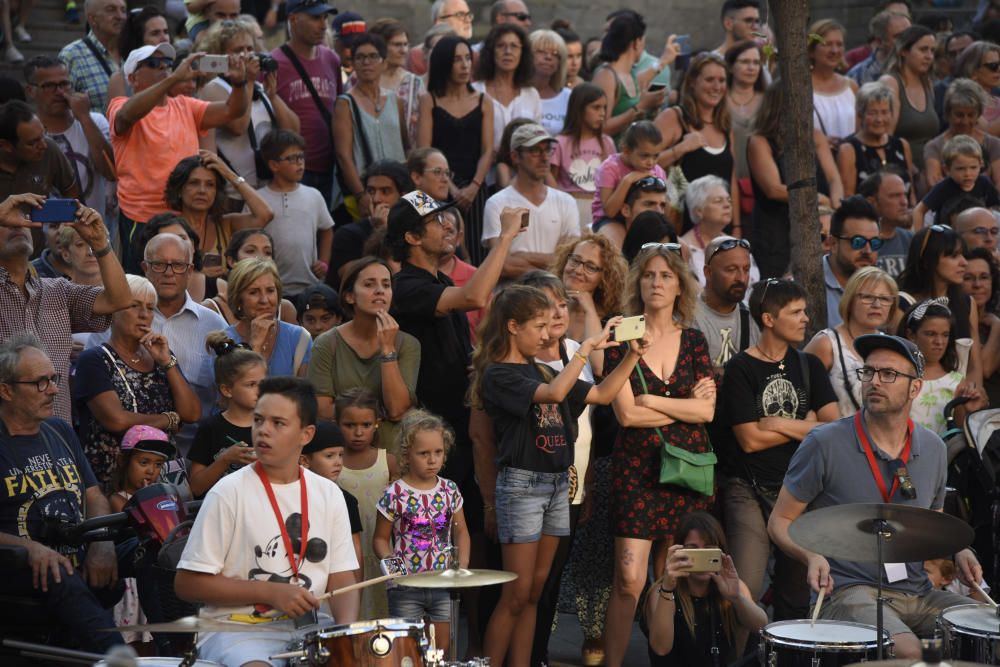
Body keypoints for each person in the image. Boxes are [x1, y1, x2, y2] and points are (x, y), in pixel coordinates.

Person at [767, 333, 983, 660]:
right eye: (868, 372)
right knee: (910, 650)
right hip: (847, 592)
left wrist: (957, 550)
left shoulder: (935, 449)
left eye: (888, 374)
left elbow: (930, 527)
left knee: (983, 627)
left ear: (915, 388)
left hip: (919, 593)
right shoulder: (824, 442)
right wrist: (810, 555)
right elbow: (780, 520)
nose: (874, 382)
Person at [473, 283, 639, 667]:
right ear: (513, 327)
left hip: (557, 484)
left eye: (550, 325)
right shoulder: (498, 374)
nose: (548, 334)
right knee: (515, 594)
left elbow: (599, 395)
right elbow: (551, 395)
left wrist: (630, 356)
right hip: (522, 486)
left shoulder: (545, 368)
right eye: (539, 326)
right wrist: (583, 350)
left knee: (535, 591)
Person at [175, 376, 360, 665]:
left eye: (278, 423)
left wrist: (344, 637)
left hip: (312, 628)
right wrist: (269, 591)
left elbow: (341, 577)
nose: (263, 431)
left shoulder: (329, 494)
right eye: (258, 420)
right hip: (236, 630)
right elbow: (187, 583)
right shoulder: (228, 492)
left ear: (306, 434)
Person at [600, 244, 717, 667]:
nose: (656, 282)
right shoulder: (622, 337)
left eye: (666, 276)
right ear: (638, 283)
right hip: (637, 472)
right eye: (649, 275)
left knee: (671, 580)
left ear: (679, 285)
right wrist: (679, 407)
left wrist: (653, 403)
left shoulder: (695, 340)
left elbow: (706, 412)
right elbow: (627, 415)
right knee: (629, 581)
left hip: (685, 472)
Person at [717, 278, 840, 624]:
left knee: (795, 591)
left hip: (798, 491)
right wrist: (805, 424)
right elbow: (749, 440)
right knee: (746, 585)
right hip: (748, 488)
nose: (805, 319)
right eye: (796, 312)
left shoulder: (809, 366)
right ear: (769, 319)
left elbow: (833, 427)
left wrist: (780, 423)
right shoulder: (741, 367)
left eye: (805, 311)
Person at [0, 334, 128, 653]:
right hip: (26, 566)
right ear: (6, 390)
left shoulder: (60, 430)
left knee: (153, 545)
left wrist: (103, 543)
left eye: (54, 379)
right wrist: (29, 548)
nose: (55, 390)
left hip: (82, 548)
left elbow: (95, 495)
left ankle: (181, 646)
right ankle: (116, 657)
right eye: (40, 383)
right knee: (58, 569)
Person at [109, 45, 252, 273]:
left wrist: (239, 83)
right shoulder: (120, 105)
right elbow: (127, 115)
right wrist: (173, 77)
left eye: (167, 62)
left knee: (180, 284)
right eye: (154, 64)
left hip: (183, 217)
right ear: (133, 78)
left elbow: (231, 111)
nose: (164, 67)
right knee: (143, 289)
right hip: (142, 218)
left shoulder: (186, 106)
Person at [0, 196, 129, 423]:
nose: (17, 226)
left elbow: (119, 300)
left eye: (23, 222)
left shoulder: (58, 289)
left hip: (57, 438)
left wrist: (100, 243)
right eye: (7, 223)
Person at [74, 273, 201, 490]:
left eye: (150, 308)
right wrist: (169, 420)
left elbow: (191, 414)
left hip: (165, 477)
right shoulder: (94, 359)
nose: (144, 315)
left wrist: (166, 362)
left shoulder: (162, 356)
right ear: (113, 311)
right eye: (134, 306)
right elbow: (117, 420)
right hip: (116, 480)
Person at [374, 409, 469, 652]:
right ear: (406, 455)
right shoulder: (394, 493)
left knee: (441, 649)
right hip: (406, 588)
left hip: (441, 584)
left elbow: (461, 532)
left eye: (438, 452)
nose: (432, 459)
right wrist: (395, 570)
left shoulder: (449, 490)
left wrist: (462, 568)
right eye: (423, 453)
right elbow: (380, 539)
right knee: (408, 650)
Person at [309, 256, 420, 452]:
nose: (380, 290)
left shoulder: (407, 344)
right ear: (350, 296)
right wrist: (377, 414)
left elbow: (396, 410)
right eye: (369, 284)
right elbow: (323, 410)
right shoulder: (326, 344)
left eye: (386, 285)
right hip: (341, 454)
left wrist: (387, 350)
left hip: (391, 454)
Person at [139, 232, 229, 455]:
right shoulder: (124, 319)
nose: (169, 273)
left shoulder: (213, 324)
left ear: (190, 271)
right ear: (145, 268)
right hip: (135, 450)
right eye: (159, 264)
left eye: (178, 265)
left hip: (197, 452)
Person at [748, 78, 843, 278]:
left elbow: (834, 178)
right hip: (776, 229)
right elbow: (773, 189)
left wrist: (835, 204)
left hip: (819, 223)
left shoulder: (815, 136)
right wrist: (817, 198)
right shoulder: (760, 141)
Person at [644, 512, 767, 666]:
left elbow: (762, 627)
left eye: (708, 549)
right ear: (679, 551)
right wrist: (668, 588)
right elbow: (661, 648)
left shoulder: (730, 586)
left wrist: (737, 598)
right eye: (693, 549)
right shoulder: (661, 591)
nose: (700, 556)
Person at [199, 18, 300, 199]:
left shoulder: (259, 88)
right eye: (238, 50)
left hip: (269, 188)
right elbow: (238, 127)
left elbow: (293, 131)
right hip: (235, 193)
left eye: (250, 49)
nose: (247, 55)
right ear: (221, 55)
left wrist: (273, 96)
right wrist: (249, 81)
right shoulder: (213, 88)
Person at [417, 34, 494, 265]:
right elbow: (424, 150)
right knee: (441, 248)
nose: (465, 65)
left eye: (468, 58)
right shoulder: (429, 100)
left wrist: (474, 187)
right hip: (438, 185)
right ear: (443, 63)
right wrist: (449, 186)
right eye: (457, 60)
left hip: (476, 186)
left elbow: (488, 150)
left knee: (478, 251)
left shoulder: (483, 100)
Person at [24, 56, 116, 232]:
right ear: (30, 90)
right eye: (49, 86)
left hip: (93, 235)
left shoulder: (94, 121)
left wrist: (84, 118)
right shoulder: (26, 132)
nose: (59, 92)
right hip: (45, 238)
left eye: (65, 84)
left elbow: (110, 171)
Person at [655, 52, 739, 231]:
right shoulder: (674, 117)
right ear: (693, 82)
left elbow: (731, 180)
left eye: (722, 80)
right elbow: (644, 162)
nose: (717, 86)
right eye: (709, 79)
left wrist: (737, 226)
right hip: (681, 226)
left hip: (720, 228)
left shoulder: (724, 126)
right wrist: (681, 149)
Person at [483, 123, 580, 279]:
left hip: (554, 299)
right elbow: (501, 265)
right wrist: (550, 271)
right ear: (515, 157)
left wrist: (523, 256)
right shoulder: (496, 203)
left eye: (547, 150)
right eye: (535, 151)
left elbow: (569, 260)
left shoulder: (567, 202)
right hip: (512, 298)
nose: (544, 158)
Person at [270, 0, 342, 208]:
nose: (323, 25)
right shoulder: (275, 63)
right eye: (315, 18)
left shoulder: (331, 59)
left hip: (331, 167)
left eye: (325, 18)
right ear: (293, 19)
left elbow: (339, 109)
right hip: (292, 170)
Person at [336, 387, 399, 619]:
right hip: (348, 554)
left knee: (388, 614)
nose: (358, 432)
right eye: (350, 425)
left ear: (377, 424)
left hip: (383, 551)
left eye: (365, 425)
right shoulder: (333, 463)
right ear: (337, 423)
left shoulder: (388, 462)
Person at [166, 151, 275, 283]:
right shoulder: (168, 228)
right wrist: (198, 275)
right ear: (179, 189)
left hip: (221, 301)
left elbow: (265, 215)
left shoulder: (226, 224)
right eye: (194, 183)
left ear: (216, 192)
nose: (202, 190)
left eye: (210, 184)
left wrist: (228, 173)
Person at [108, 425, 172, 647]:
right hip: (131, 583)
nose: (150, 471)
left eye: (157, 465)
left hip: (154, 579)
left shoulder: (163, 496)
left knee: (151, 642)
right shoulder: (117, 499)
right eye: (143, 463)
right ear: (124, 461)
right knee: (132, 642)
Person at [333, 33, 408, 221]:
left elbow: (405, 146)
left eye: (373, 56)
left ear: (383, 62)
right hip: (368, 190)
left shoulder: (395, 100)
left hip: (397, 190)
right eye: (360, 57)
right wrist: (361, 194)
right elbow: (344, 156)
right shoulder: (345, 103)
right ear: (354, 64)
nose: (366, 62)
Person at [806, 266, 899, 417]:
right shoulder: (826, 343)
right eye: (868, 297)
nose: (877, 304)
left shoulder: (892, 346)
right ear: (850, 300)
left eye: (884, 299)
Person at [252, 130, 332, 299]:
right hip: (271, 288)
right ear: (274, 165)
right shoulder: (257, 199)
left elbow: (327, 230)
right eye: (292, 159)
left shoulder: (314, 195)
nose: (300, 163)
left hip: (310, 286)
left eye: (301, 157)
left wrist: (324, 263)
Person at [188, 331, 265, 497]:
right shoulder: (211, 428)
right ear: (227, 390)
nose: (260, 390)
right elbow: (195, 487)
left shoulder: (271, 425)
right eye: (251, 384)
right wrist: (225, 459)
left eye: (263, 383)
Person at [0, 100, 81, 255]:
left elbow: (73, 195)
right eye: (33, 143)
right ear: (6, 145)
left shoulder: (49, 151)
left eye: (43, 134)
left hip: (36, 259)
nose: (43, 145)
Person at [903, 299, 987, 434]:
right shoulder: (896, 376)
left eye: (945, 335)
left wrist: (965, 409)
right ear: (911, 335)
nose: (939, 342)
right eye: (930, 334)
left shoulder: (957, 382)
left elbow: (958, 432)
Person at [223, 257, 312, 377]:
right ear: (238, 299)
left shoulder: (299, 338)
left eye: (270, 291)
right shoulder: (223, 344)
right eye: (254, 292)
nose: (264, 300)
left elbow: (305, 393)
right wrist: (256, 347)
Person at [300, 420, 365, 583]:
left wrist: (355, 591)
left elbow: (355, 551)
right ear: (305, 461)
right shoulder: (291, 497)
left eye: (341, 455)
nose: (338, 462)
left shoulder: (346, 500)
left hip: (336, 588)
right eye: (329, 456)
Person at [591, 12, 669, 143]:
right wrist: (640, 106)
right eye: (643, 40)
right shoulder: (606, 76)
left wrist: (652, 106)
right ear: (637, 42)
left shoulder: (630, 74)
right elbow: (600, 127)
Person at [328, 161, 410, 283]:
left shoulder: (413, 230)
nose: (376, 199)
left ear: (402, 197)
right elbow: (355, 278)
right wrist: (381, 231)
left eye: (385, 191)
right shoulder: (347, 234)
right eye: (371, 191)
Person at [552, 83, 616, 231]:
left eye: (604, 108)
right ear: (579, 109)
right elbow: (552, 180)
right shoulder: (560, 142)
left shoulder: (607, 143)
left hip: (598, 209)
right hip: (569, 207)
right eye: (596, 107)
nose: (602, 113)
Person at [693, 235, 760, 376]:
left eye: (746, 269)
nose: (741, 278)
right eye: (731, 269)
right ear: (708, 272)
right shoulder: (687, 317)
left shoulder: (754, 317)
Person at [878, 25, 939, 180]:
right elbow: (886, 138)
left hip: (929, 169)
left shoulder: (928, 84)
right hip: (901, 170)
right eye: (923, 49)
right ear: (904, 51)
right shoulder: (890, 83)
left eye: (932, 51)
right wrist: (910, 169)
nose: (929, 56)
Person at [838, 82, 914, 198]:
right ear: (860, 115)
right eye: (872, 113)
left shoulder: (902, 145)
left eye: (884, 112)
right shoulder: (849, 149)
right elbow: (849, 197)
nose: (879, 119)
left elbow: (911, 193)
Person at [682, 175, 760, 288]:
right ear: (699, 211)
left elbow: (753, 284)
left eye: (729, 200)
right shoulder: (684, 248)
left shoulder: (736, 245)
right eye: (718, 201)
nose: (727, 205)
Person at [593, 121, 668, 234]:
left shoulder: (658, 172)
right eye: (645, 156)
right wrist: (628, 180)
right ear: (626, 150)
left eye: (656, 156)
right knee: (616, 237)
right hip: (609, 221)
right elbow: (610, 211)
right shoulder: (609, 168)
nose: (651, 162)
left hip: (642, 220)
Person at [925, 78, 1000, 191]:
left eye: (970, 115)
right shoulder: (934, 147)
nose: (965, 121)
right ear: (948, 113)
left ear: (979, 114)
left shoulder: (993, 144)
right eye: (959, 115)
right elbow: (934, 185)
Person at [551, 233, 628, 343]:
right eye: (575, 260)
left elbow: (598, 360)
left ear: (604, 278)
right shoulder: (545, 308)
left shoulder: (614, 323)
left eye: (590, 267)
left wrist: (590, 311)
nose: (578, 270)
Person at [914, 135, 1000, 228]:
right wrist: (919, 238)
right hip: (947, 238)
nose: (967, 173)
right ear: (947, 169)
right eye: (960, 169)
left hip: (977, 235)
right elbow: (919, 210)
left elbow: (993, 207)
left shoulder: (984, 183)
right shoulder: (944, 187)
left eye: (973, 167)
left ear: (981, 164)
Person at [824, 196, 883, 328]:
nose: (867, 251)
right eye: (858, 242)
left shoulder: (884, 287)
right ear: (833, 243)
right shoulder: (806, 283)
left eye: (874, 243)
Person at [58, 0, 127, 111]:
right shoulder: (72, 55)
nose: (120, 16)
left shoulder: (134, 52)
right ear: (93, 19)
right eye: (111, 10)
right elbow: (62, 109)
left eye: (123, 10)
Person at [810, 19, 859, 148]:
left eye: (839, 44)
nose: (834, 50)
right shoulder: (799, 88)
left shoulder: (852, 87)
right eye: (827, 44)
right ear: (811, 50)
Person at [105, 6, 170, 101]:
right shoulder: (120, 80)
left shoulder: (176, 70)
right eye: (155, 33)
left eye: (166, 32)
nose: (164, 38)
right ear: (138, 40)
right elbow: (121, 115)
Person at [963, 247, 1000, 407]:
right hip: (973, 416)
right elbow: (985, 368)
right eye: (968, 278)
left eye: (984, 277)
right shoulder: (954, 322)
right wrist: (997, 328)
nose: (977, 285)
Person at [725, 41, 766, 184]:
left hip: (763, 183)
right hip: (728, 181)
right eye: (745, 62)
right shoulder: (718, 101)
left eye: (756, 63)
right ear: (730, 66)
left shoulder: (769, 102)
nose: (751, 68)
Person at [861, 171, 914, 279]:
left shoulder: (911, 240)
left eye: (905, 194)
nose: (904, 202)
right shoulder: (860, 244)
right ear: (871, 202)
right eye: (894, 196)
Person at [406, 0, 474, 76]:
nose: (468, 20)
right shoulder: (418, 56)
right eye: (460, 15)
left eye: (468, 15)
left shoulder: (476, 55)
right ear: (440, 21)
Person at [848, 10, 912, 86]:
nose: (908, 40)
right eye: (898, 36)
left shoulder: (923, 67)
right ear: (879, 42)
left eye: (910, 33)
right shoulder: (858, 76)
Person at [953, 41, 1000, 136]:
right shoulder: (963, 101)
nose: (999, 69)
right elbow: (987, 135)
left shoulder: (998, 101)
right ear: (973, 71)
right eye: (993, 66)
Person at [530, 29, 570, 137]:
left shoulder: (569, 97)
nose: (548, 57)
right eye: (541, 51)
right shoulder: (515, 93)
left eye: (555, 54)